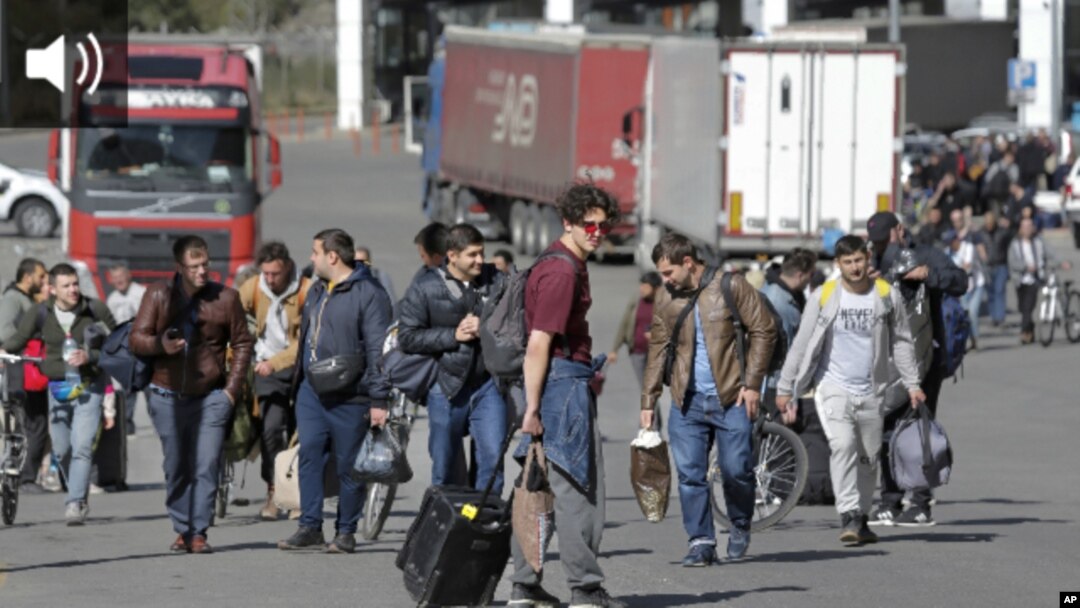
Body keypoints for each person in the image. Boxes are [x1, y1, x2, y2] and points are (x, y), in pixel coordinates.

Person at [508, 184, 625, 608]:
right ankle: (586, 590)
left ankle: (524, 585)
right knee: (579, 490)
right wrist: (533, 409)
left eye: (603, 225)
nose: (597, 232)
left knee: (535, 488)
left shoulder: (562, 261)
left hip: (552, 383)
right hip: (560, 386)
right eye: (588, 224)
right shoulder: (562, 272)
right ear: (568, 223)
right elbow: (540, 342)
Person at [776, 236, 925, 544]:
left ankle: (862, 515)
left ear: (867, 259)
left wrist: (912, 383)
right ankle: (848, 514)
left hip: (872, 389)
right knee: (843, 444)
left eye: (859, 260)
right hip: (832, 386)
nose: (855, 268)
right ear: (838, 264)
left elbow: (901, 342)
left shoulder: (886, 295)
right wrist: (785, 386)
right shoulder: (825, 295)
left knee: (869, 458)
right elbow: (801, 345)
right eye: (848, 262)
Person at [642, 234, 777, 566]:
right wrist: (648, 401)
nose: (665, 280)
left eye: (669, 272)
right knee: (690, 474)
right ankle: (701, 542)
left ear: (688, 263)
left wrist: (752, 384)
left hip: (732, 397)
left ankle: (740, 522)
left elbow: (764, 328)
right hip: (686, 401)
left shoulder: (730, 286)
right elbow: (658, 348)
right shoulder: (665, 297)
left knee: (736, 471)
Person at [129, 236, 254, 554]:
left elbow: (242, 343)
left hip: (212, 396)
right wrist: (160, 345)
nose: (202, 271)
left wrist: (231, 390)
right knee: (177, 466)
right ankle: (181, 528)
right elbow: (136, 339)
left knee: (206, 464)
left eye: (205, 265)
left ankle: (197, 532)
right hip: (166, 396)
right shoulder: (158, 294)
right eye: (194, 266)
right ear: (179, 267)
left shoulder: (226, 298)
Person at [277, 229, 392, 554]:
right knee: (310, 453)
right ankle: (310, 525)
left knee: (348, 465)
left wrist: (378, 398)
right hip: (312, 391)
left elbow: (378, 348)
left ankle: (345, 531)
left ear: (332, 256)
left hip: (351, 394)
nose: (310, 258)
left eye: (315, 252)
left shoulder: (369, 293)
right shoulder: (316, 289)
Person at [865, 211, 967, 527]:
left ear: (899, 230)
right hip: (885, 360)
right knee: (885, 429)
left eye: (886, 238)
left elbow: (961, 281)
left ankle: (921, 502)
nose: (882, 246)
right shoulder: (873, 260)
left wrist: (929, 275)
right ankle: (891, 500)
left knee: (917, 427)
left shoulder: (925, 254)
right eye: (877, 242)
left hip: (925, 358)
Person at [2, 263, 117, 525]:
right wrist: (3, 352)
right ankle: (78, 488)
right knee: (62, 449)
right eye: (66, 285)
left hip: (90, 384)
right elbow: (17, 340)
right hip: (58, 387)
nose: (73, 289)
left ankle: (75, 502)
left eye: (75, 284)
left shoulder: (94, 308)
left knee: (82, 445)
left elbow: (118, 342)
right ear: (52, 289)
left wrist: (91, 356)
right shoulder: (40, 312)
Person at [398, 223, 508, 494]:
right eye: (472, 255)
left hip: (488, 385)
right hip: (446, 386)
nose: (480, 260)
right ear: (452, 255)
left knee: (493, 460)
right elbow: (408, 337)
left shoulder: (498, 281)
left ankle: (483, 522)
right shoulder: (425, 287)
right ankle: (445, 526)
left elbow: (517, 320)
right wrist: (453, 335)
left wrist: (483, 325)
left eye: (482, 253)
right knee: (444, 467)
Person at [238, 241, 310, 521]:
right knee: (271, 430)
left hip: (296, 368)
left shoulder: (305, 290)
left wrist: (275, 363)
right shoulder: (254, 287)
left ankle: (294, 495)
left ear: (288, 268)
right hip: (265, 369)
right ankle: (272, 490)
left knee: (298, 434)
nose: (269, 279)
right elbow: (232, 314)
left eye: (275, 274)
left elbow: (303, 341)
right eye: (266, 273)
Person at [0, 258, 50, 493]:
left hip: (31, 369)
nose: (43, 282)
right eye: (40, 277)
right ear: (27, 277)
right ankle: (25, 478)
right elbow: (4, 331)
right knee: (30, 423)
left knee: (36, 423)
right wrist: (33, 333)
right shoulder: (12, 299)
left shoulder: (28, 299)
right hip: (20, 370)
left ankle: (27, 476)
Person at [759, 248, 817, 410]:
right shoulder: (781, 304)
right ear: (800, 275)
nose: (810, 280)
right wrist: (787, 394)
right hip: (774, 386)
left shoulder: (775, 289)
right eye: (810, 275)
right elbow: (784, 351)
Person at [1009, 217, 1069, 345]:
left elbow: (1051, 253)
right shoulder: (1015, 243)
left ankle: (1024, 332)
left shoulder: (1039, 241)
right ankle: (1030, 330)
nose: (1027, 229)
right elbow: (1012, 262)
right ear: (1020, 229)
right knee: (1022, 307)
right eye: (1024, 227)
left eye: (1029, 226)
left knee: (1028, 307)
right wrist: (1025, 267)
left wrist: (1062, 262)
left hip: (1036, 278)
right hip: (1021, 279)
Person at [105, 263, 148, 435]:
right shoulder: (112, 299)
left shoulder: (141, 293)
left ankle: (161, 423)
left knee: (149, 389)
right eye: (115, 278)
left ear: (128, 275)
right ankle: (127, 425)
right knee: (127, 389)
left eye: (121, 276)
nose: (118, 281)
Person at [608, 271, 662, 387]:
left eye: (646, 286)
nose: (642, 289)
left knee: (653, 385)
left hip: (656, 353)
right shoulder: (636, 300)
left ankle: (652, 404)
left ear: (656, 289)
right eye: (641, 285)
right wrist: (614, 350)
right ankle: (652, 405)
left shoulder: (663, 304)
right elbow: (625, 323)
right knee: (645, 386)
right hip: (637, 351)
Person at [944, 230, 986, 350]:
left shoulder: (968, 247)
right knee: (964, 314)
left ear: (957, 240)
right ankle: (968, 339)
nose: (950, 245)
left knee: (972, 311)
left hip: (976, 284)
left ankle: (974, 338)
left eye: (951, 242)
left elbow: (967, 266)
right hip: (962, 288)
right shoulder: (948, 252)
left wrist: (953, 272)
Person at [984, 211, 1013, 327]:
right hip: (987, 266)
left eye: (991, 222)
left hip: (1001, 264)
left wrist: (1008, 226)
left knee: (999, 291)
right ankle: (994, 316)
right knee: (990, 293)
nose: (989, 225)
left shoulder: (1002, 232)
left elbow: (1013, 238)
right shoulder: (981, 233)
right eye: (987, 223)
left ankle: (1000, 317)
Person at [354, 246, 398, 316]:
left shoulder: (381, 277)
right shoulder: (347, 280)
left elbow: (392, 304)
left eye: (363, 262)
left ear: (369, 262)